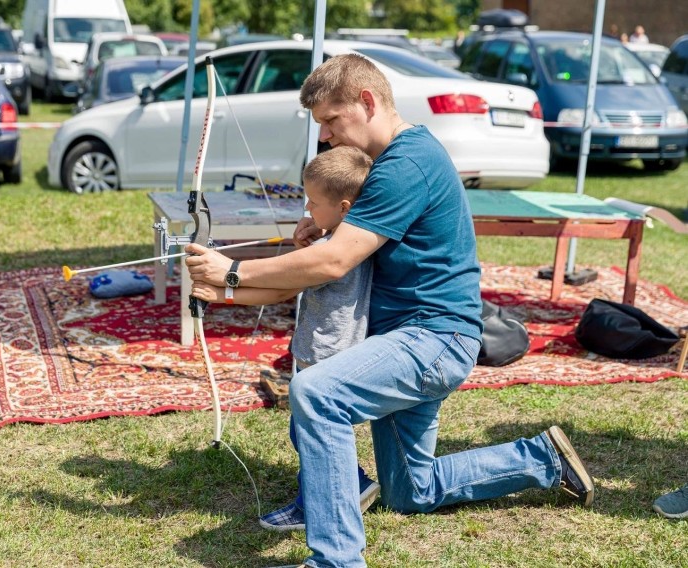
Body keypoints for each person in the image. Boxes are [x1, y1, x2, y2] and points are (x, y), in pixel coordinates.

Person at [186, 54, 596, 568]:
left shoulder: (407, 162)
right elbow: (335, 249)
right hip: (406, 341)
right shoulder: (391, 164)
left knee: (315, 395)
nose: (328, 137)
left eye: (331, 121)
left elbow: (334, 263)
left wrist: (230, 273)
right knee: (411, 491)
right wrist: (314, 232)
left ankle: (336, 561)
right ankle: (539, 459)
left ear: (366, 101)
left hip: (432, 340)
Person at [191, 145, 380, 532]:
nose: (307, 211)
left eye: (312, 203)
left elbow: (279, 290)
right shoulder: (338, 244)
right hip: (326, 349)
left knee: (311, 433)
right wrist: (220, 294)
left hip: (328, 353)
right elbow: (284, 289)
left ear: (345, 208)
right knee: (307, 430)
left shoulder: (332, 253)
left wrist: (227, 282)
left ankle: (327, 497)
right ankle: (351, 485)